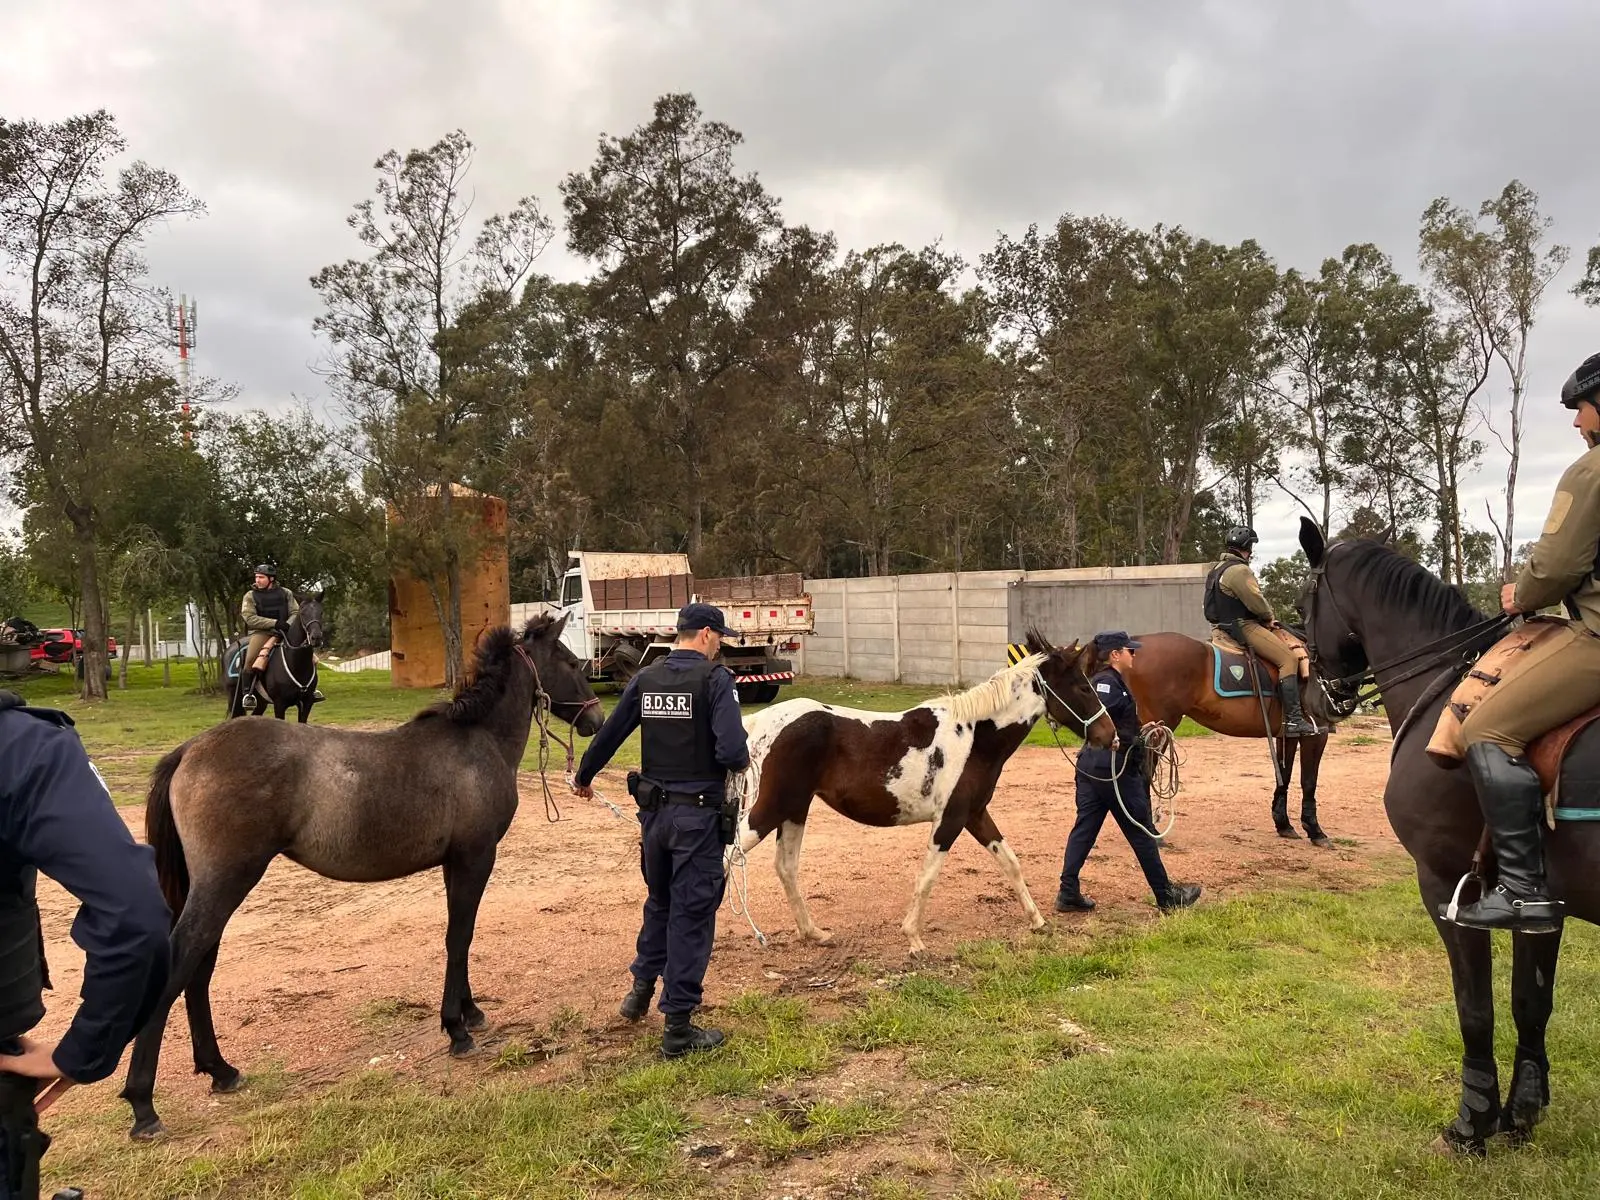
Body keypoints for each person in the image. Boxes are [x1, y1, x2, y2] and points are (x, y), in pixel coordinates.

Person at [1447, 352, 1600, 933]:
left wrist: (1521, 594)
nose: (1576, 422)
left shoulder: (1590, 471)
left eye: (1581, 408)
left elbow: (1559, 565)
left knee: (1485, 727)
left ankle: (1521, 891)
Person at [0, 690, 171, 1198]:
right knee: (253, 657)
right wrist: (86, 1050)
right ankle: (244, 688)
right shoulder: (23, 745)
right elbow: (137, 918)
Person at [571, 602, 750, 1058]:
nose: (719, 647)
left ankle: (639, 992)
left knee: (660, 902)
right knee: (692, 913)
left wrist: (584, 777)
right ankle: (678, 1027)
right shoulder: (715, 681)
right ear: (707, 635)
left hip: (654, 819)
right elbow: (733, 753)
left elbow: (610, 733)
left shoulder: (645, 679)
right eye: (720, 639)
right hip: (698, 820)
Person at [1055, 632, 1202, 916]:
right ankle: (1166, 896)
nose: (1134, 655)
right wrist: (1136, 741)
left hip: (1093, 769)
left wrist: (1141, 732)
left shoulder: (1110, 683)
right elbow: (1102, 728)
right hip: (1113, 770)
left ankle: (1068, 892)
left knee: (1084, 830)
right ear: (1114, 655)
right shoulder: (1106, 685)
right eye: (1129, 651)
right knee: (1141, 831)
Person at [1203, 526, 1318, 738]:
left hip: (1221, 628)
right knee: (1288, 659)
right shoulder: (1239, 570)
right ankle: (1293, 720)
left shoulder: (1216, 568)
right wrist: (1268, 617)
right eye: (1251, 547)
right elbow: (1257, 603)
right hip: (1244, 626)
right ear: (1247, 547)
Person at [237, 564, 322, 711]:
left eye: (261, 577)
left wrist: (287, 625)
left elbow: (296, 611)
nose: (257, 580)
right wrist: (275, 623)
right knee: (251, 659)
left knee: (310, 657)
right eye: (256, 577)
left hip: (286, 630)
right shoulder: (250, 596)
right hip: (262, 632)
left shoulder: (286, 593)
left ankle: (310, 690)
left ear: (271, 579)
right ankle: (248, 695)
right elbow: (249, 618)